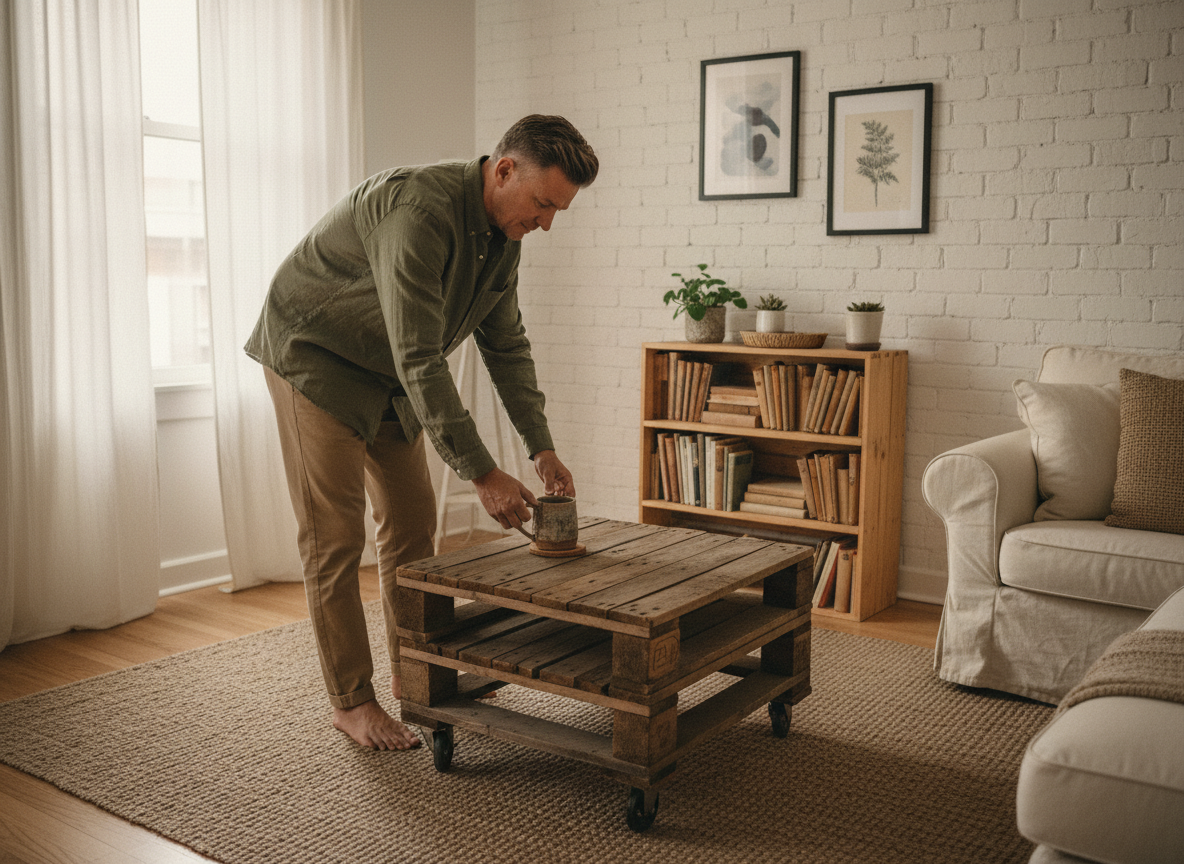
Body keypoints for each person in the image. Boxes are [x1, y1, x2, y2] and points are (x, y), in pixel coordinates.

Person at [245, 115, 599, 751]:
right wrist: (482, 472)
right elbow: (419, 357)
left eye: (557, 211)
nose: (546, 223)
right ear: (504, 170)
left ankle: (415, 674)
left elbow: (506, 345)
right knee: (334, 537)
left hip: (388, 375)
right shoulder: (417, 211)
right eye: (543, 204)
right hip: (315, 361)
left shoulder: (505, 237)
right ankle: (351, 702)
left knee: (412, 525)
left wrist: (540, 446)